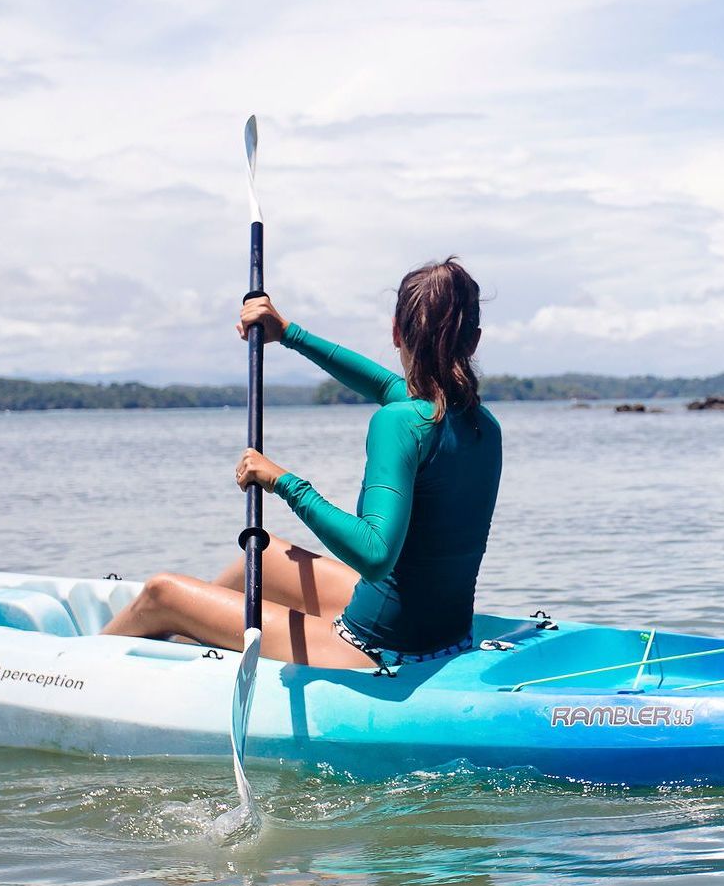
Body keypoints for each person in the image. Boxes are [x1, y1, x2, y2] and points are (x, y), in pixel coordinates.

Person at [101, 258, 502, 669]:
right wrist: (290, 333)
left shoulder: (398, 424)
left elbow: (375, 554)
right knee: (264, 557)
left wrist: (285, 483)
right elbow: (384, 385)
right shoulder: (482, 424)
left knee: (161, 592)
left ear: (396, 333)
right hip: (447, 634)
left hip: (375, 644)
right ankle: (194, 652)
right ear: (473, 341)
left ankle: (76, 669)